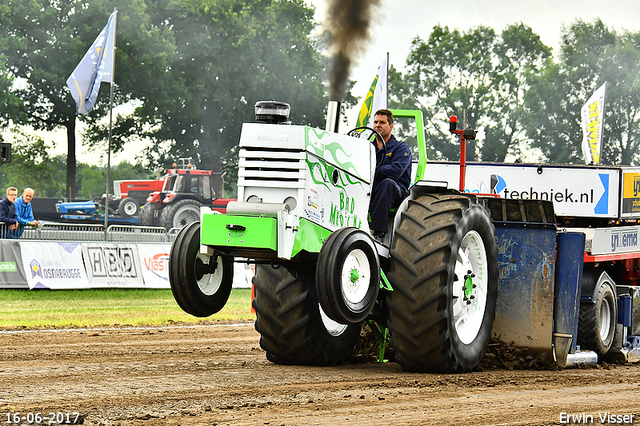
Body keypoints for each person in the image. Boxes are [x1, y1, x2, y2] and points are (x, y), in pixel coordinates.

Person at [368, 109, 412, 238]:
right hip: (371, 188)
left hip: (396, 191)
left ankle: (374, 230)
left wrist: (372, 171)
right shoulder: (367, 148)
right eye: (375, 122)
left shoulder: (401, 148)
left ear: (390, 127)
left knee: (387, 183)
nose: (377, 125)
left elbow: (395, 171)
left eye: (382, 122)